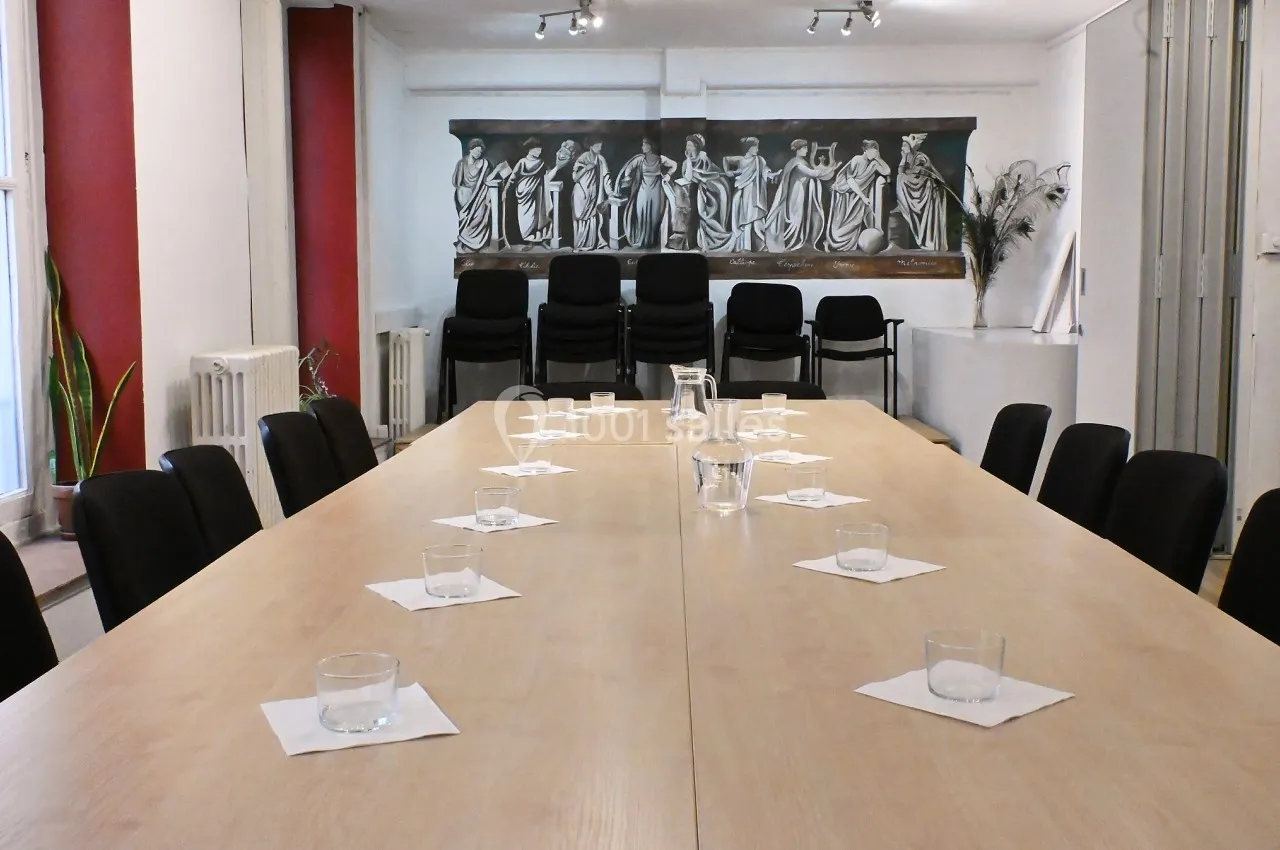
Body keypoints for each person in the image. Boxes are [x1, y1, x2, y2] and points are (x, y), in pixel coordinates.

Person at [764, 139, 838, 253]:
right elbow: (813, 173)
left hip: (800, 192)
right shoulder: (797, 163)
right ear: (798, 150)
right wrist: (831, 169)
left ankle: (795, 242)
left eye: (806, 148)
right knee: (795, 218)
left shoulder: (798, 161)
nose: (806, 150)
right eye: (804, 148)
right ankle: (791, 243)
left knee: (798, 217)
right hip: (796, 192)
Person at [667, 134, 732, 252]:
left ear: (696, 146)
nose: (687, 147)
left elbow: (708, 175)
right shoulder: (686, 162)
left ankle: (719, 238)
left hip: (708, 192)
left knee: (704, 215)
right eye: (687, 145)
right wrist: (688, 160)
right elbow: (688, 177)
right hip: (694, 191)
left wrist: (700, 177)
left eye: (690, 145)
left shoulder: (703, 158)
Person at [826, 140, 892, 252]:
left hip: (858, 197)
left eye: (876, 152)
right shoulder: (857, 159)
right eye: (873, 151)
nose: (874, 154)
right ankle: (833, 243)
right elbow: (850, 180)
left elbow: (887, 171)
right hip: (845, 195)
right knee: (840, 226)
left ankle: (850, 245)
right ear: (866, 150)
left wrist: (879, 158)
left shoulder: (874, 164)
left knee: (855, 222)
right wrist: (863, 197)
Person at [614, 138, 676, 250]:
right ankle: (641, 240)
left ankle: (651, 241)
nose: (642, 147)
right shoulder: (640, 159)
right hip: (642, 190)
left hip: (656, 191)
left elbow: (674, 164)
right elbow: (629, 168)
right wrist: (627, 177)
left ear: (650, 146)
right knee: (640, 213)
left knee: (654, 217)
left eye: (644, 144)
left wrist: (668, 175)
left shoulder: (660, 159)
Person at [505, 137, 567, 247]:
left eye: (540, 150)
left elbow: (547, 178)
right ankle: (530, 241)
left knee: (540, 219)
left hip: (538, 194)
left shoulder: (541, 163)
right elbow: (512, 177)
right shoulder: (522, 162)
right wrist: (505, 190)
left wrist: (557, 167)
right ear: (530, 149)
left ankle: (540, 240)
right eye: (537, 150)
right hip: (523, 195)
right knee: (526, 220)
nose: (539, 152)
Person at [723, 136, 777, 253]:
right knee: (745, 219)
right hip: (743, 192)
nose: (757, 149)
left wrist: (774, 175)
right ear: (749, 148)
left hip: (755, 193)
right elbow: (726, 159)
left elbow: (766, 173)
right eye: (755, 147)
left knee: (757, 218)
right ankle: (745, 246)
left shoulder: (759, 160)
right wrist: (728, 172)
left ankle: (760, 245)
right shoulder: (741, 159)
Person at [895, 133, 948, 252]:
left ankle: (930, 242)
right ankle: (904, 204)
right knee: (900, 178)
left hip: (929, 191)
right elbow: (901, 171)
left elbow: (916, 175)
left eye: (904, 146)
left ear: (910, 147)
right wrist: (903, 159)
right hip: (919, 190)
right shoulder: (908, 157)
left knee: (901, 179)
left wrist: (905, 173)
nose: (902, 148)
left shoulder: (921, 158)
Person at [452, 138, 499, 253]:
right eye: (477, 150)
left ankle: (470, 243)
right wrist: (463, 192)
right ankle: (463, 243)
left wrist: (497, 170)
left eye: (480, 151)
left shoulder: (484, 163)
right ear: (470, 149)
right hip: (464, 195)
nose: (479, 153)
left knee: (481, 215)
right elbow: (456, 182)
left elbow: (487, 180)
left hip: (479, 195)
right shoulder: (462, 163)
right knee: (464, 219)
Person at [571, 140, 611, 251]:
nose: (600, 147)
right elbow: (575, 178)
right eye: (597, 145)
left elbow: (606, 176)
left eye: (601, 145)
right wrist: (586, 168)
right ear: (591, 145)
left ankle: (591, 244)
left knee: (592, 219)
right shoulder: (582, 158)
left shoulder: (601, 159)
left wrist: (610, 192)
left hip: (593, 194)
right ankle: (579, 244)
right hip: (580, 193)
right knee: (580, 219)